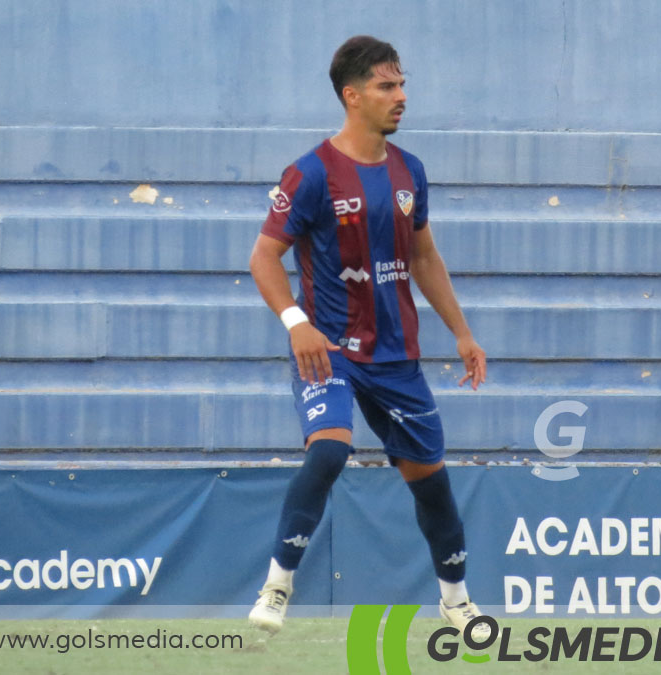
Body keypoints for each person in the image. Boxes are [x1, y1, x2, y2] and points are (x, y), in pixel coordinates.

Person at [245, 35, 489, 637]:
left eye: (402, 84)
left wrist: (462, 332)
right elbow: (263, 259)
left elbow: (424, 257)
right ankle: (277, 586)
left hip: (397, 358)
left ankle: (456, 601)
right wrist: (297, 324)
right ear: (352, 96)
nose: (401, 96)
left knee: (431, 485)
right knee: (329, 449)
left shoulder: (411, 172)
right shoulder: (309, 174)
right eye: (387, 86)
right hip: (329, 348)